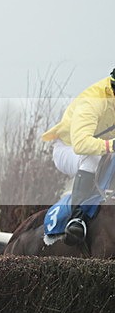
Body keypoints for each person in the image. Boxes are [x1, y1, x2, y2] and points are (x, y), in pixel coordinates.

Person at [41, 68, 115, 245]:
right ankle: (77, 217)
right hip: (68, 150)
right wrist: (111, 145)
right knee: (91, 157)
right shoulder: (93, 101)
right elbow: (81, 145)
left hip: (100, 148)